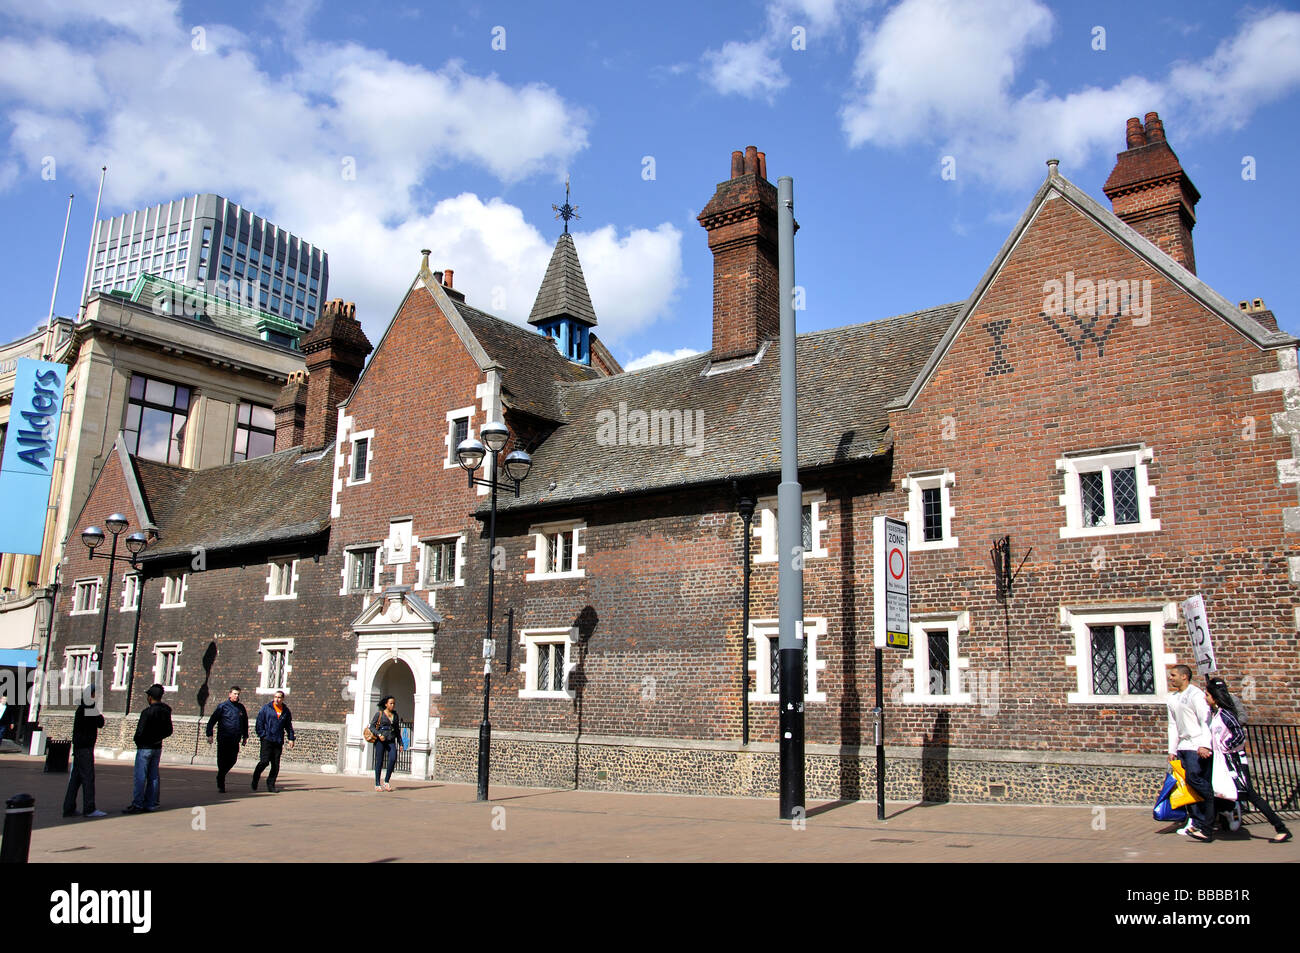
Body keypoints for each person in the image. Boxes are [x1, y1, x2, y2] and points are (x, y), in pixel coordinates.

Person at [1206, 676, 1292, 844]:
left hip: (1234, 760)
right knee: (1216, 792)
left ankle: (1281, 828)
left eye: (1208, 694)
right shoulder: (1216, 713)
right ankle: (1207, 828)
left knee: (1250, 794)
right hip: (1224, 761)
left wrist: (1225, 746)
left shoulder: (1227, 713)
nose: (1205, 697)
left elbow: (1239, 734)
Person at [1166, 664, 1215, 841]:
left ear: (1184, 676)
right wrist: (1172, 749)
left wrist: (1204, 744)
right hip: (1183, 746)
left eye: (1173, 675)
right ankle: (1195, 821)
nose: (1170, 678)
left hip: (1196, 746)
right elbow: (1173, 725)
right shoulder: (1172, 698)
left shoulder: (1196, 695)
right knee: (1187, 784)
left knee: (1196, 780)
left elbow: (1205, 721)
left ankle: (1210, 812)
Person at [124, 684, 173, 814]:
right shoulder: (166, 711)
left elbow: (139, 732)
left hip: (145, 747)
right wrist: (158, 738)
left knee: (140, 776)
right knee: (153, 775)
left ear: (150, 697)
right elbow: (169, 730)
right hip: (157, 747)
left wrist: (139, 741)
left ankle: (138, 803)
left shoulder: (147, 712)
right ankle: (151, 803)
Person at [62, 689, 107, 818]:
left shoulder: (81, 707)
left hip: (78, 747)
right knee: (88, 777)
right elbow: (100, 722)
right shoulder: (89, 707)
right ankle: (89, 808)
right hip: (85, 747)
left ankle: (68, 807)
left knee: (75, 779)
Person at [205, 686, 249, 792]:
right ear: (229, 694)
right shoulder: (223, 707)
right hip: (224, 737)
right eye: (234, 693)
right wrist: (209, 734)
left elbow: (245, 723)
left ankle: (221, 774)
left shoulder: (241, 708)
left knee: (233, 759)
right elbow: (212, 721)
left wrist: (245, 736)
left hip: (235, 738)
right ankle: (221, 782)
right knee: (222, 760)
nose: (236, 696)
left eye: (238, 694)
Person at [252, 690, 295, 793]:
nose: (277, 699)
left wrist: (291, 738)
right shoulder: (266, 708)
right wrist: (262, 734)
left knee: (275, 765)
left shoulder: (285, 711)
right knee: (264, 761)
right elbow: (259, 722)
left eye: (279, 697)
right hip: (267, 739)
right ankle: (255, 777)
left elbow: (288, 726)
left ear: (283, 699)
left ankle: (271, 784)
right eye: (275, 697)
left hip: (278, 740)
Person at [369, 695, 404, 792]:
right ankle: (377, 783)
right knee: (379, 762)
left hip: (391, 740)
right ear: (386, 704)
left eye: (394, 703)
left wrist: (401, 743)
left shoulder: (395, 715)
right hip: (381, 740)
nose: (392, 705)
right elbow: (371, 727)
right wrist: (379, 734)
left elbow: (397, 730)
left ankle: (386, 781)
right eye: (390, 703)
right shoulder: (379, 714)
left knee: (393, 758)